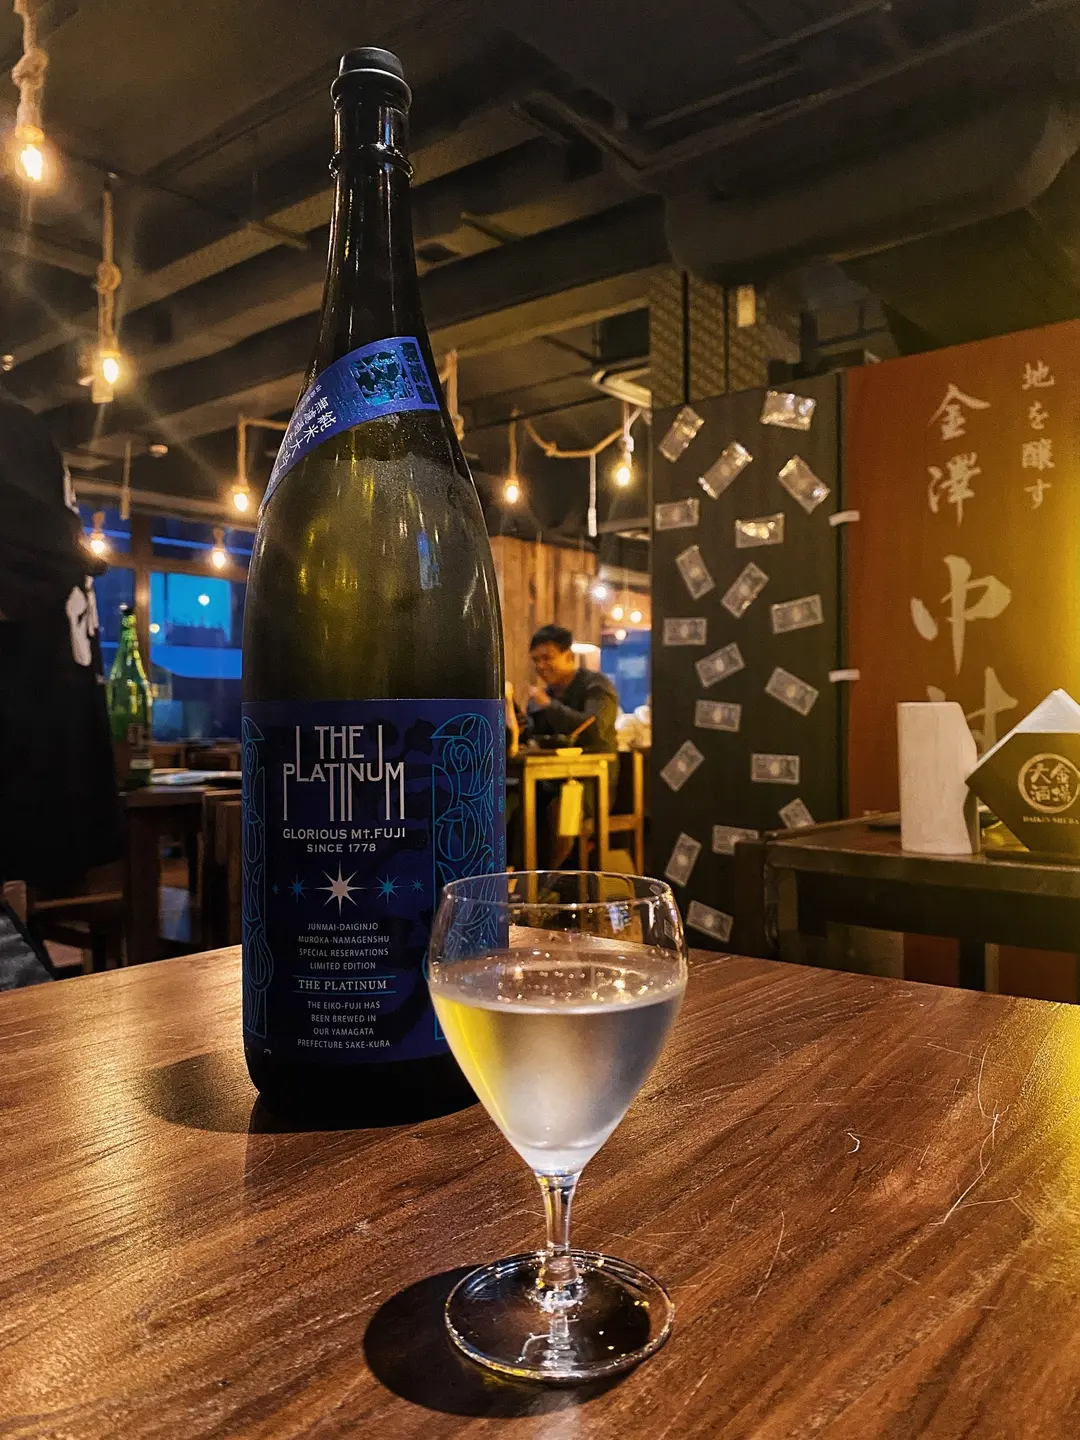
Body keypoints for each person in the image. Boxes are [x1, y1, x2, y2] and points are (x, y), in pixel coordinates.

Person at [0, 385, 123, 892]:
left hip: (31, 743)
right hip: (49, 736)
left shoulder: (9, 426)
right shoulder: (19, 426)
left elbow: (33, 558)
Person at [522, 624, 618, 866]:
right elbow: (536, 738)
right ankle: (517, 874)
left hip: (592, 782)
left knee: (561, 806)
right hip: (550, 779)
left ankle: (547, 879)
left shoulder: (596, 685)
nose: (541, 666)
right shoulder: (546, 694)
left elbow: (594, 729)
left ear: (569, 656)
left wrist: (549, 706)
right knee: (515, 799)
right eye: (536, 660)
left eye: (547, 658)